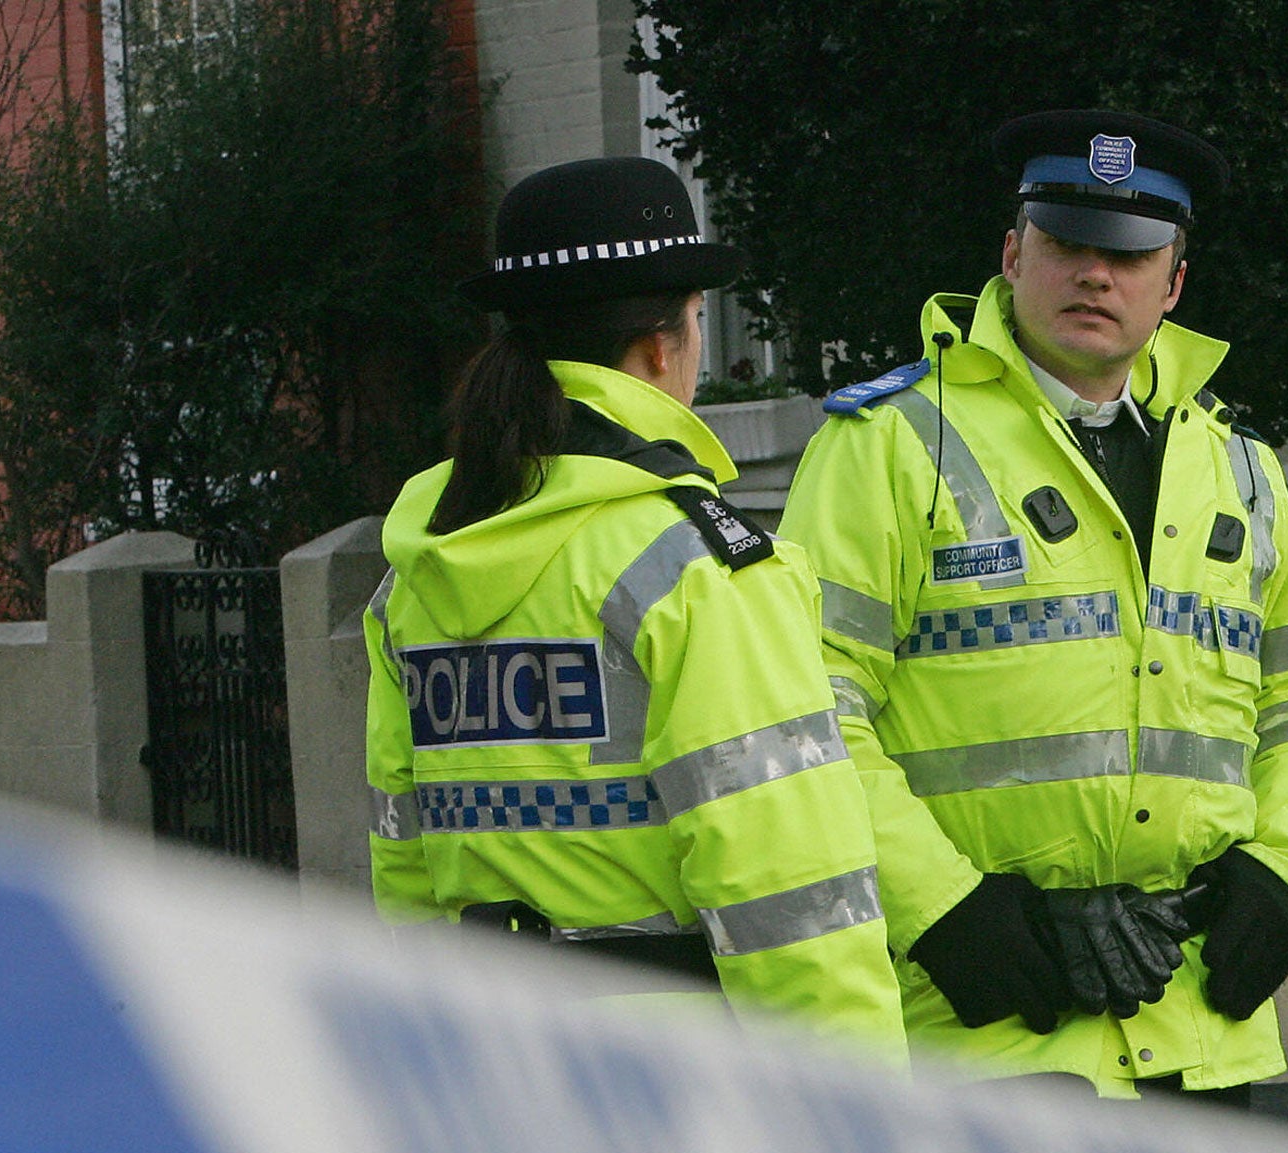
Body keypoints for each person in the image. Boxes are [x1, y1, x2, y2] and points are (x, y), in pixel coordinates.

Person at [778, 110, 1288, 1099]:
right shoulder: (886, 445)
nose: (1095, 275)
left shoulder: (1237, 468)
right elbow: (802, 707)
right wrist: (945, 913)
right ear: (1011, 255)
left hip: (1196, 1029)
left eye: (1129, 255)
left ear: (1172, 284)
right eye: (1065, 245)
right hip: (984, 1025)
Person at [363, 156, 905, 1069]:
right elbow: (788, 884)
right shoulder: (698, 566)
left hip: (487, 1067)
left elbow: (404, 856)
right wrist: (861, 1129)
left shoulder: (419, 565)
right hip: (680, 1101)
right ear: (663, 346)